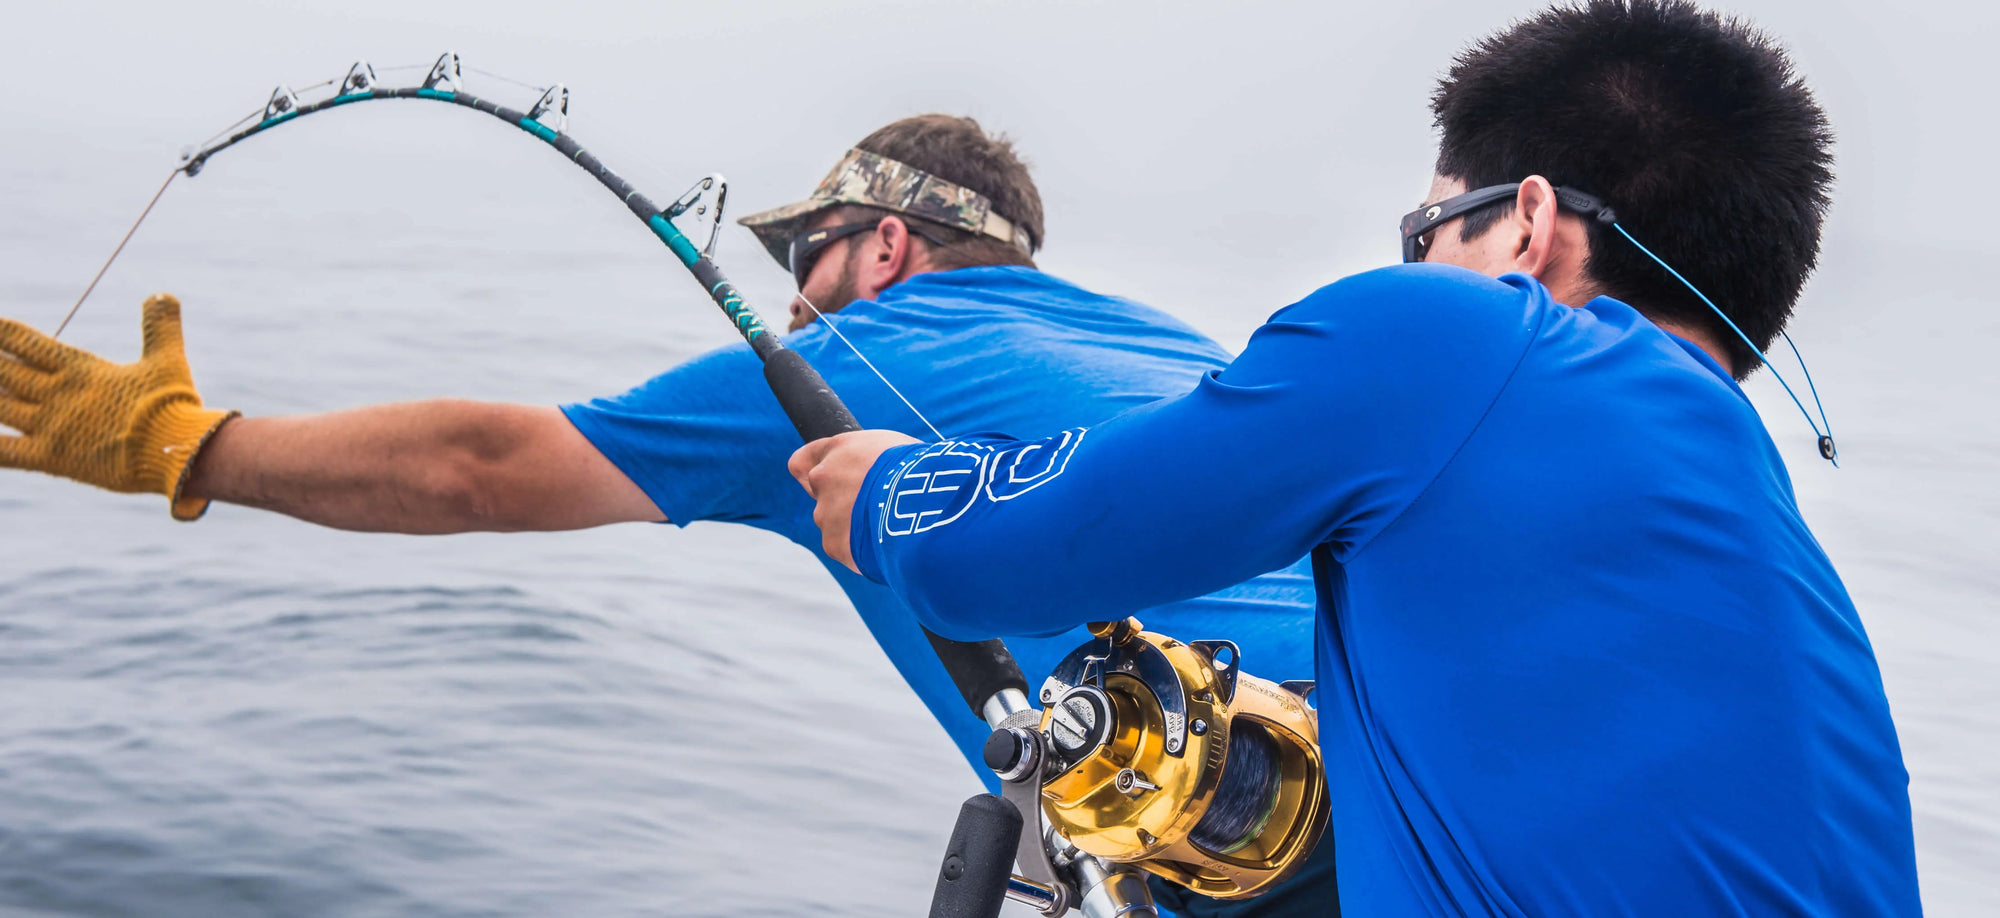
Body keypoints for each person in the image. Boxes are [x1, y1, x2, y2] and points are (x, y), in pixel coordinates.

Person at [0, 114, 1334, 915]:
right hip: (1409, 762)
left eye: (804, 254)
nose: (794, 295)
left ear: (884, 245)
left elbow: (481, 464)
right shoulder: (1162, 336)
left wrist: (183, 443)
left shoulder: (864, 356)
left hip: (1248, 845)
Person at [793, 3, 1922, 915]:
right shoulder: (1787, 579)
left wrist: (890, 488)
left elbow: (1007, 555)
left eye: (1424, 231)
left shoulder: (1464, 336)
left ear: (1525, 226)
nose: (1413, 260)